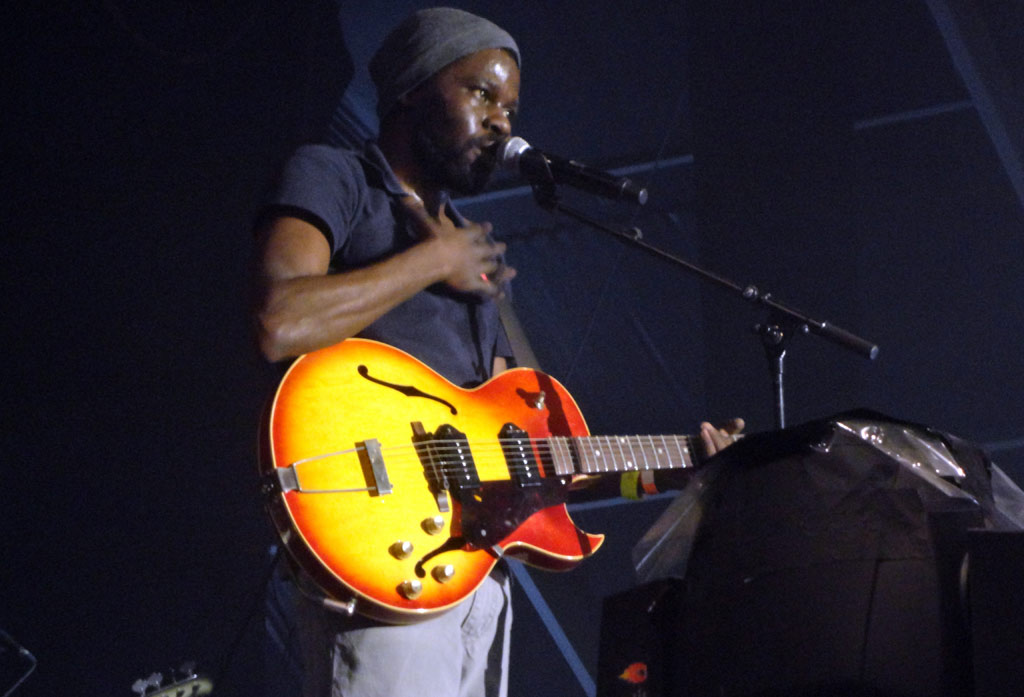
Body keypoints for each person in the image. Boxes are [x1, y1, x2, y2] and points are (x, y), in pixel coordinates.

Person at [253, 8, 740, 697]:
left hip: (472, 573)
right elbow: (280, 319)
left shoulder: (467, 245)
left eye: (510, 106)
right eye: (482, 93)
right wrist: (430, 262)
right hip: (381, 550)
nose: (503, 121)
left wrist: (673, 465)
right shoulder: (336, 176)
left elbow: (530, 461)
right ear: (414, 90)